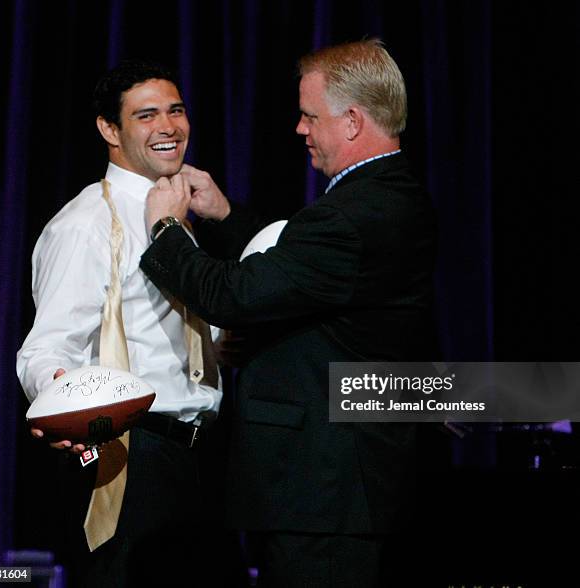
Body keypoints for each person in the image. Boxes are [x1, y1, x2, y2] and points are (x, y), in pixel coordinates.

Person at [139, 39, 437, 586]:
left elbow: (236, 294)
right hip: (337, 487)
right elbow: (303, 276)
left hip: (324, 492)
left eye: (308, 116)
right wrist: (225, 215)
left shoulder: (353, 216)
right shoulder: (387, 196)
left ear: (350, 122)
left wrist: (166, 231)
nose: (300, 129)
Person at [17, 59, 241, 587]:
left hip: (201, 456)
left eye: (176, 111)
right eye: (146, 115)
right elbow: (45, 348)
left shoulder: (182, 212)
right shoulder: (85, 224)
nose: (168, 127)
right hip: (133, 457)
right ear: (109, 130)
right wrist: (62, 401)